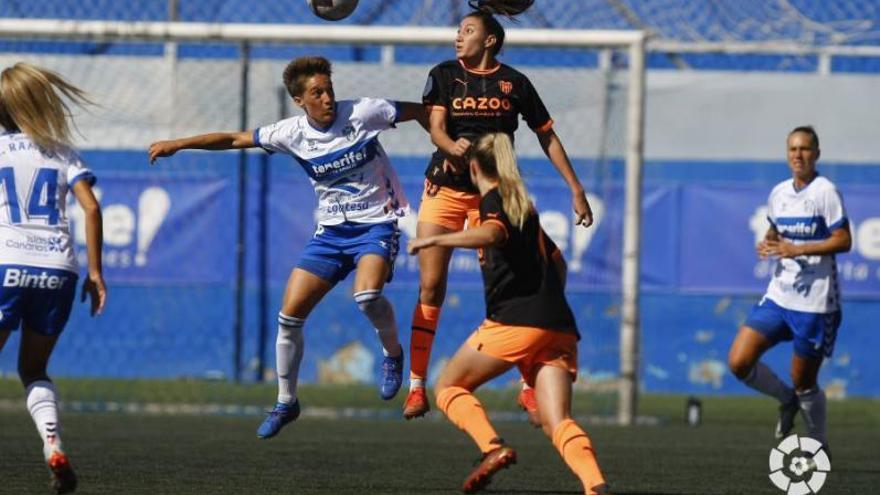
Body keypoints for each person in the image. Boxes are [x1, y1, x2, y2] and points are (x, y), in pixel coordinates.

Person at [149, 56, 428, 439]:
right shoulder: (291, 132)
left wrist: (446, 144)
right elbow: (234, 139)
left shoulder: (365, 112)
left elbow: (427, 111)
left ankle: (393, 354)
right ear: (300, 100)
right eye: (318, 92)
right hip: (330, 233)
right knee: (289, 317)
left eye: (329, 89)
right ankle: (286, 402)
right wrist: (178, 144)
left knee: (366, 296)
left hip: (377, 223)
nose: (328, 97)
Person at [404, 1, 594, 422]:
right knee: (431, 286)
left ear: (490, 40)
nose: (458, 36)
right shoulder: (444, 75)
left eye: (467, 30)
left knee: (548, 269)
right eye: (459, 30)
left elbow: (549, 137)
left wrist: (576, 188)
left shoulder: (515, 84)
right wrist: (449, 145)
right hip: (448, 189)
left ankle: (529, 384)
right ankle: (417, 385)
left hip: (498, 192)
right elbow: (436, 126)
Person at [408, 133, 609, 495]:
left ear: (473, 167)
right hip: (559, 325)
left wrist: (435, 239)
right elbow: (558, 262)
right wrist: (546, 302)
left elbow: (491, 233)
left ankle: (492, 447)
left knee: (449, 386)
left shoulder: (492, 200)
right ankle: (595, 486)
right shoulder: (523, 205)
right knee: (557, 421)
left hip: (514, 321)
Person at [0, 62, 107, 494]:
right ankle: (52, 442)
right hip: (57, 271)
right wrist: (96, 273)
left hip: (6, 266)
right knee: (33, 369)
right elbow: (92, 208)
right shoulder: (63, 152)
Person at [728, 126, 850, 452]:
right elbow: (774, 230)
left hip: (816, 304)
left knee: (804, 381)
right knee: (739, 362)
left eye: (805, 149)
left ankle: (817, 444)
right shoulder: (779, 192)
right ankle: (786, 400)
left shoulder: (825, 192)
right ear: (787, 154)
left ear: (817, 154)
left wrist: (798, 249)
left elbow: (844, 239)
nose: (798, 155)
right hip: (779, 296)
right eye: (793, 149)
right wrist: (767, 244)